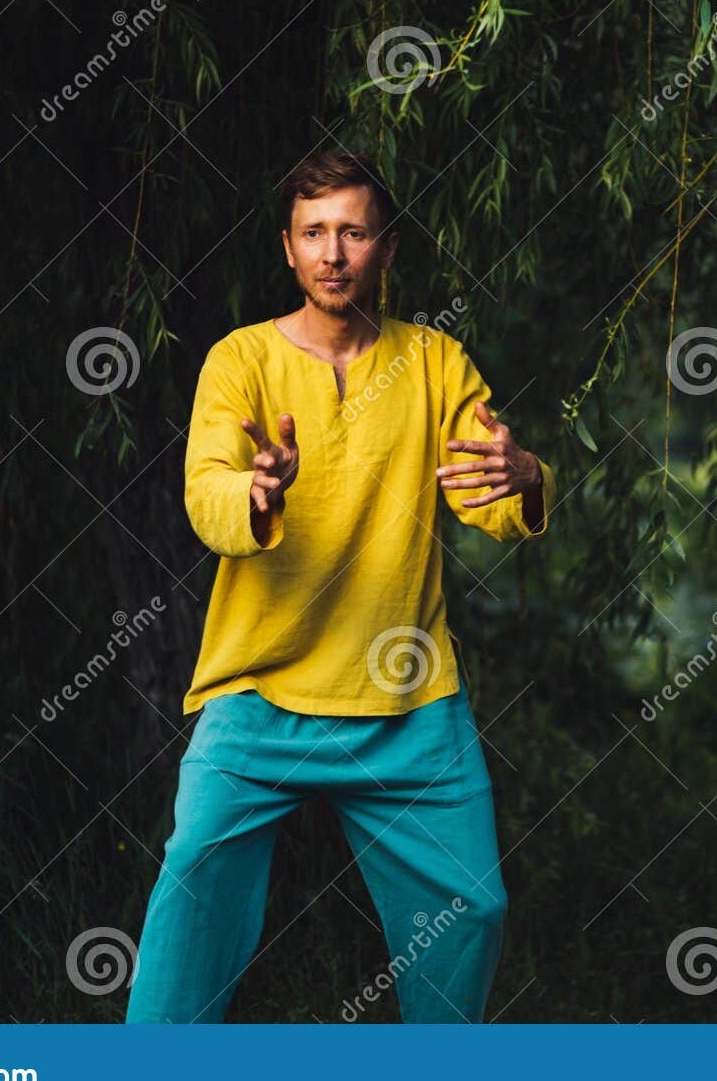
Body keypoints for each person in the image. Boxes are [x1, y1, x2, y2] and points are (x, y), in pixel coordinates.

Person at [124, 149, 554, 1023]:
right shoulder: (238, 360)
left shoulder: (435, 362)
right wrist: (251, 492)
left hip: (406, 698)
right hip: (257, 693)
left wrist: (529, 476)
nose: (332, 253)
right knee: (188, 910)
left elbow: (495, 495)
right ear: (287, 249)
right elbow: (207, 493)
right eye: (313, 233)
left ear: (386, 250)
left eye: (352, 232)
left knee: (474, 909)